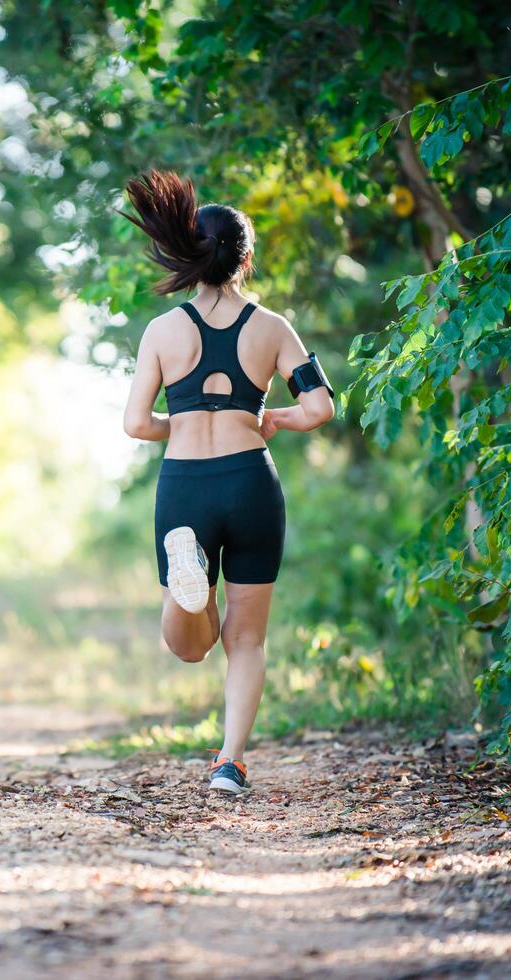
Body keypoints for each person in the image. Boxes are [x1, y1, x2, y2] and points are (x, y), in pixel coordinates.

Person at [119, 170, 335, 795]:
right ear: (245, 256)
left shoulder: (163, 331)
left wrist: (180, 421)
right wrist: (270, 419)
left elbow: (136, 424)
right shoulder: (273, 327)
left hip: (184, 482)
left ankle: (188, 596)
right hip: (250, 482)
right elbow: (320, 408)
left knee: (191, 644)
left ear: (190, 251)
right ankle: (229, 765)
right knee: (246, 639)